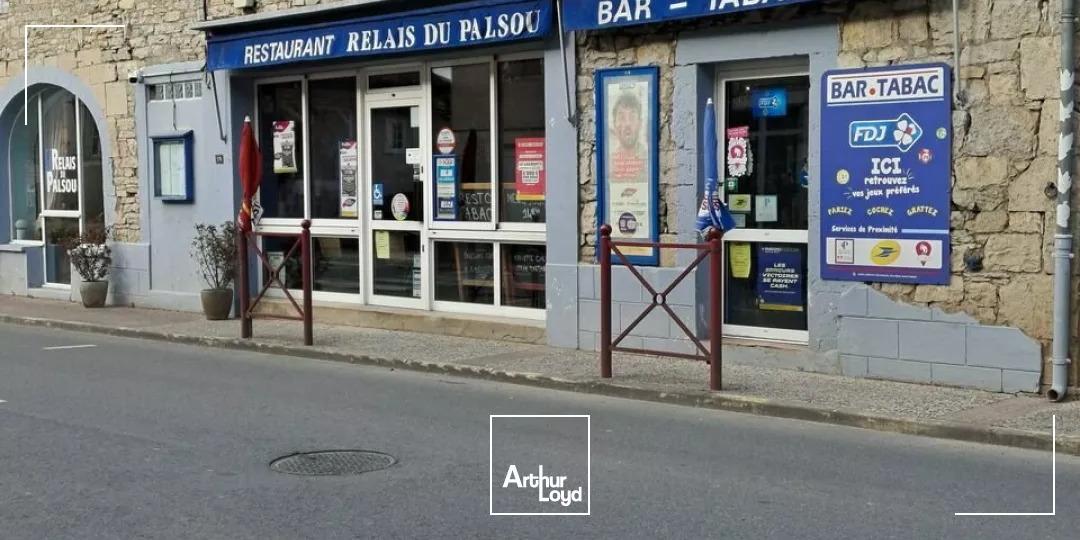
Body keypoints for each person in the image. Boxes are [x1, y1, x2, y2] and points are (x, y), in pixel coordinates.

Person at [608, 91, 648, 183]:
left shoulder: (649, 160)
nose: (627, 124)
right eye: (621, 118)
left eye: (632, 117)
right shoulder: (608, 164)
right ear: (614, 125)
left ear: (640, 123)